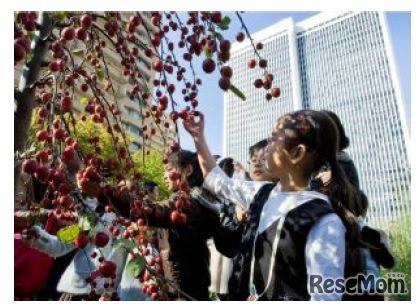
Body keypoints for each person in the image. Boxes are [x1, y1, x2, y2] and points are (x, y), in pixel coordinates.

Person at [184, 110, 360, 300]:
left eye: (274, 139)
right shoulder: (262, 193)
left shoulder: (325, 222)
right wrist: (198, 137)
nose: (267, 147)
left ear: (297, 153)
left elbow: (326, 299)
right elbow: (217, 181)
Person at [108, 150, 220, 301]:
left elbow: (156, 212)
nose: (164, 176)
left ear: (187, 170)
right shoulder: (189, 200)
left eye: (168, 170)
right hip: (179, 285)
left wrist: (107, 194)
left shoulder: (190, 203)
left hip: (187, 288)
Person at [22, 168, 117, 301]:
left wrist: (97, 288)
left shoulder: (117, 221)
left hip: (96, 293)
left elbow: (115, 261)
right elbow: (62, 244)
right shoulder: (89, 216)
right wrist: (38, 238)